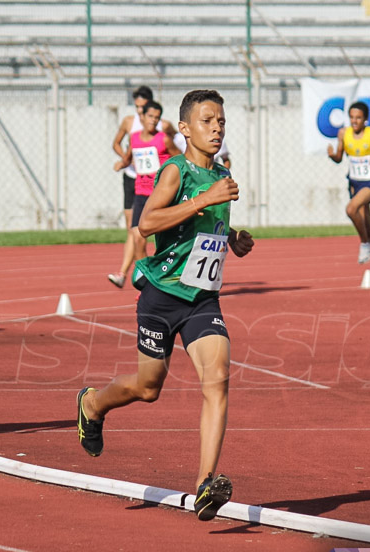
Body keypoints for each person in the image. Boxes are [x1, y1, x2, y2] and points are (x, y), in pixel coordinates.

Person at [78, 89, 254, 522]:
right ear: (186, 128)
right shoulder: (175, 172)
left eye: (222, 121)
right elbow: (147, 223)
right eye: (208, 121)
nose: (217, 128)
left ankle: (205, 485)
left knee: (218, 381)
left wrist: (233, 238)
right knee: (148, 388)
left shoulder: (223, 174)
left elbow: (206, 227)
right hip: (161, 296)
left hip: (202, 298)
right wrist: (203, 201)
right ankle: (92, 405)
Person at [108, 100, 180, 288]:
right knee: (137, 235)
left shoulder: (164, 139)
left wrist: (171, 175)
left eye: (157, 118)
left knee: (162, 238)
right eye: (150, 116)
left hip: (160, 194)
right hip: (141, 192)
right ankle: (145, 276)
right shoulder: (135, 138)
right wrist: (121, 164)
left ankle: (167, 275)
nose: (153, 121)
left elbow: (180, 157)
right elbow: (129, 157)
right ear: (142, 117)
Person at [327, 101, 370, 283]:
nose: (354, 121)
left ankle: (365, 244)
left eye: (358, 118)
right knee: (367, 227)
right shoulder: (343, 134)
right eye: (352, 117)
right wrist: (332, 155)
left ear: (365, 119)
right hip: (355, 182)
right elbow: (340, 158)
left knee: (350, 209)